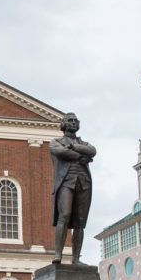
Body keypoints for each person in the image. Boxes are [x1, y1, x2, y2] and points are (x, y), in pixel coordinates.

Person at [50, 112, 96, 264]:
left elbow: (92, 151)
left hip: (83, 182)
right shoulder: (56, 142)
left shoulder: (83, 143)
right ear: (63, 124)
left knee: (80, 222)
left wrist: (74, 147)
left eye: (76, 120)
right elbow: (60, 152)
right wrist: (81, 155)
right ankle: (58, 254)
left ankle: (76, 259)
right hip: (66, 182)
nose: (74, 123)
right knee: (65, 215)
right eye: (70, 120)